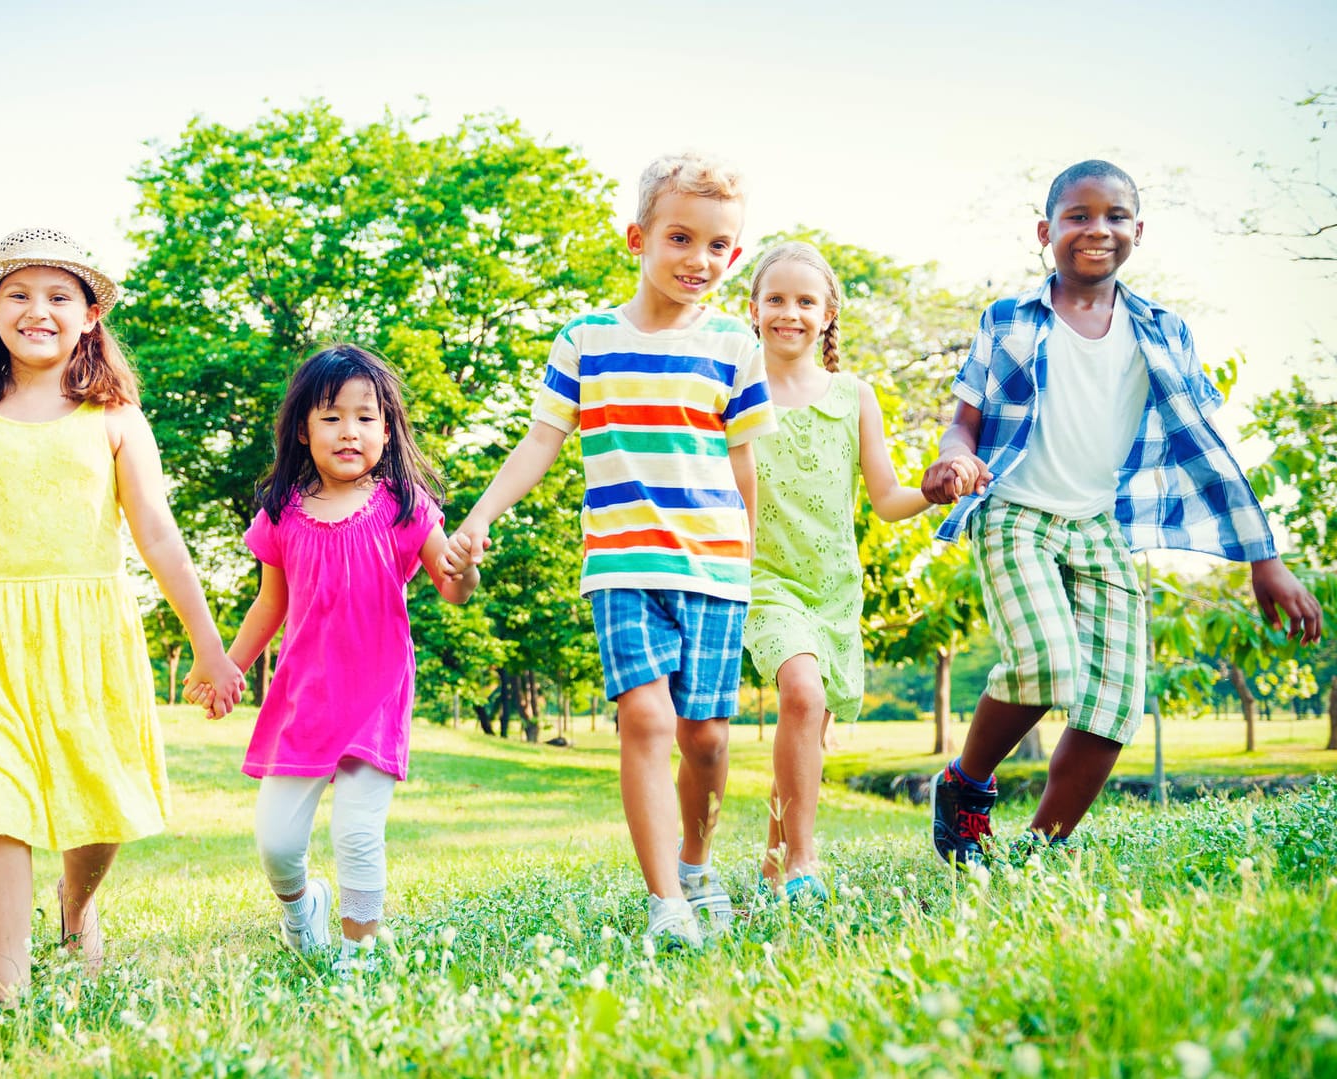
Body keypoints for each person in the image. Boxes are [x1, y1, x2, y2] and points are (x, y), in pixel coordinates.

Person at [921, 160, 1324, 866]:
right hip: (1016, 513)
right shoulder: (1009, 321)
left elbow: (1207, 448)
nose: (1096, 229)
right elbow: (965, 422)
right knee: (1046, 664)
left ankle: (1038, 853)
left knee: (1115, 700)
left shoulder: (1164, 332)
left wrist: (1267, 556)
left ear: (1139, 229)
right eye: (1078, 216)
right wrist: (955, 457)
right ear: (1047, 231)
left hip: (1098, 525)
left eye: (1114, 216)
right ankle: (965, 785)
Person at [442, 153, 776, 948]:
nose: (700, 261)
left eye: (719, 247)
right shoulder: (586, 339)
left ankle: (697, 861)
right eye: (681, 239)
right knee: (647, 720)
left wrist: (753, 546)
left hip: (716, 565)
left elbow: (743, 461)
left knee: (708, 736)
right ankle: (666, 902)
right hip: (625, 564)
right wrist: (482, 513)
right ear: (639, 238)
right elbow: (541, 439)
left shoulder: (736, 343)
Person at [0, 228, 245, 1000]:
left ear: (90, 314)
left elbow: (158, 534)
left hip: (88, 627)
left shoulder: (116, 417)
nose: (38, 310)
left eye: (59, 295)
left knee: (101, 797)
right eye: (18, 295)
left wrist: (209, 646)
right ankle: (10, 997)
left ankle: (77, 902)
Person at [203, 344, 477, 972]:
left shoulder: (404, 508)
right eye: (330, 416)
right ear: (303, 429)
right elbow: (268, 606)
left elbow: (452, 588)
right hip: (303, 700)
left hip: (377, 695)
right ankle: (303, 911)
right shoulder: (281, 512)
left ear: (387, 429)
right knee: (276, 843)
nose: (348, 430)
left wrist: (467, 569)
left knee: (357, 833)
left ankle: (360, 957)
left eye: (365, 416)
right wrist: (229, 666)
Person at [740, 242, 930, 901]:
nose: (789, 312)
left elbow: (887, 498)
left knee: (806, 728)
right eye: (776, 299)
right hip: (762, 579)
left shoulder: (854, 396)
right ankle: (803, 860)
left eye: (805, 301)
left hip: (832, 587)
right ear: (754, 309)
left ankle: (772, 860)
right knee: (801, 694)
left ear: (827, 315)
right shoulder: (731, 392)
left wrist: (933, 491)